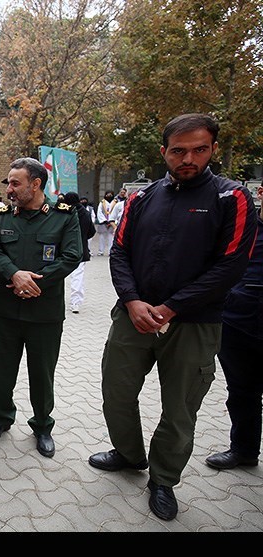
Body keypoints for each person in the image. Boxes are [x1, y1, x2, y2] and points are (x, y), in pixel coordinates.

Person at [88, 113, 256, 522]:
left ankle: (163, 480)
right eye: (179, 150)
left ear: (213, 149)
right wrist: (131, 301)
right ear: (164, 152)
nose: (188, 158)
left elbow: (230, 266)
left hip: (195, 324)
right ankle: (129, 455)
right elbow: (121, 252)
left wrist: (170, 307)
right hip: (133, 315)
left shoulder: (230, 198)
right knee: (116, 391)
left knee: (179, 409)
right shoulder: (143, 198)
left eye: (199, 149)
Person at [0, 157, 82, 459]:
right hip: (7, 310)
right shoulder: (3, 216)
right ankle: (1, 418)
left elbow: (72, 256)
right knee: (1, 370)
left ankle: (42, 426)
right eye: (8, 183)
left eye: (16, 183)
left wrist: (35, 283)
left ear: (36, 184)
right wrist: (15, 274)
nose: (9, 189)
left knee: (42, 373)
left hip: (45, 311)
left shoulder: (65, 216)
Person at [205, 184, 263, 472]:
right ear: (261, 192)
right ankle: (244, 449)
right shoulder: (244, 227)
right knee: (242, 390)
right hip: (238, 322)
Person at [64, 192, 96, 314]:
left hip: (64, 249)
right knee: (78, 277)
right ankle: (75, 302)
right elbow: (91, 232)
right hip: (80, 249)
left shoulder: (64, 213)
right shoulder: (86, 214)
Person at [95, 190, 117, 256]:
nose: (109, 196)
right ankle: (100, 251)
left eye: (110, 194)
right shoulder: (102, 202)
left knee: (111, 238)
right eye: (108, 194)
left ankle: (111, 251)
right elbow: (99, 212)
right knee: (102, 237)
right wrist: (104, 220)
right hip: (103, 222)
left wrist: (112, 221)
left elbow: (117, 213)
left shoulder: (116, 202)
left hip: (112, 222)